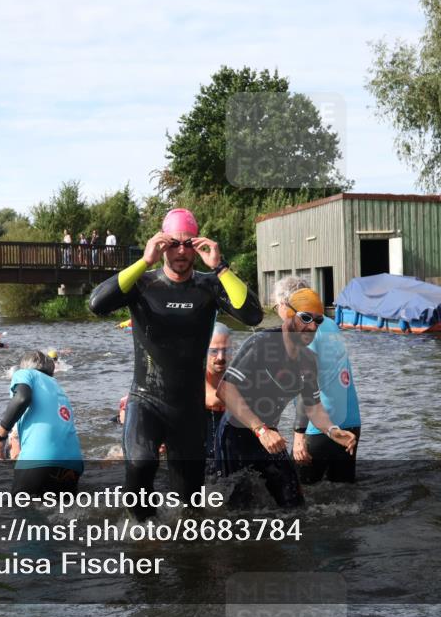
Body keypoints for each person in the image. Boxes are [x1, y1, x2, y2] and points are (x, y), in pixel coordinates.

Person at [89, 208, 263, 519]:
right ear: (161, 244)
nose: (181, 251)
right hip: (146, 399)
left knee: (190, 503)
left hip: (189, 409)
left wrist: (220, 267)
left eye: (188, 243)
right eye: (173, 243)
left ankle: (185, 545)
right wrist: (144, 261)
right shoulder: (143, 284)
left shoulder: (209, 285)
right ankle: (143, 532)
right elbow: (97, 304)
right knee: (141, 464)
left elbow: (252, 315)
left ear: (197, 245)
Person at [216, 287, 356, 508]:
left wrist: (332, 430)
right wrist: (260, 430)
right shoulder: (261, 342)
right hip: (236, 435)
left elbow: (313, 407)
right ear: (289, 314)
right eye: (306, 318)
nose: (312, 327)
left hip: (271, 436)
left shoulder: (309, 359)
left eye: (318, 320)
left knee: (295, 504)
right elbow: (225, 389)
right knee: (238, 510)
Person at [273, 277, 363, 483]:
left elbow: (306, 383)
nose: (278, 310)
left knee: (299, 491)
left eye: (278, 305)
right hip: (351, 421)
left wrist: (299, 437)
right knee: (344, 491)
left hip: (321, 426)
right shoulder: (328, 323)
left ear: (287, 304)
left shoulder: (304, 331)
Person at [0, 351, 84, 495]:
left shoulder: (25, 374)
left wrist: (0, 436)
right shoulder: (57, 387)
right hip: (73, 465)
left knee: (22, 507)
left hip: (40, 459)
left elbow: (22, 398)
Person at [204, 322, 231, 474]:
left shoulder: (237, 373)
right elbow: (212, 399)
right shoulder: (193, 372)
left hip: (226, 432)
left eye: (225, 350)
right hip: (200, 431)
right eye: (214, 351)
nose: (221, 357)